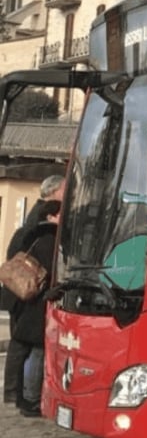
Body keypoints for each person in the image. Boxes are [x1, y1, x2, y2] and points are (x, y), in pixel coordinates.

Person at [4, 174, 64, 405]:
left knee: (21, 344)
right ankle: (26, 396)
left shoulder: (33, 227)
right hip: (30, 296)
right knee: (32, 346)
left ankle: (15, 394)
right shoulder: (42, 231)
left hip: (22, 293)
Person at [12, 199, 61, 418]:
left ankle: (24, 396)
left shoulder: (33, 236)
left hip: (28, 301)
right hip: (39, 304)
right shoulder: (50, 239)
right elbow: (52, 271)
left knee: (30, 351)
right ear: (51, 216)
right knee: (37, 351)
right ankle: (31, 398)